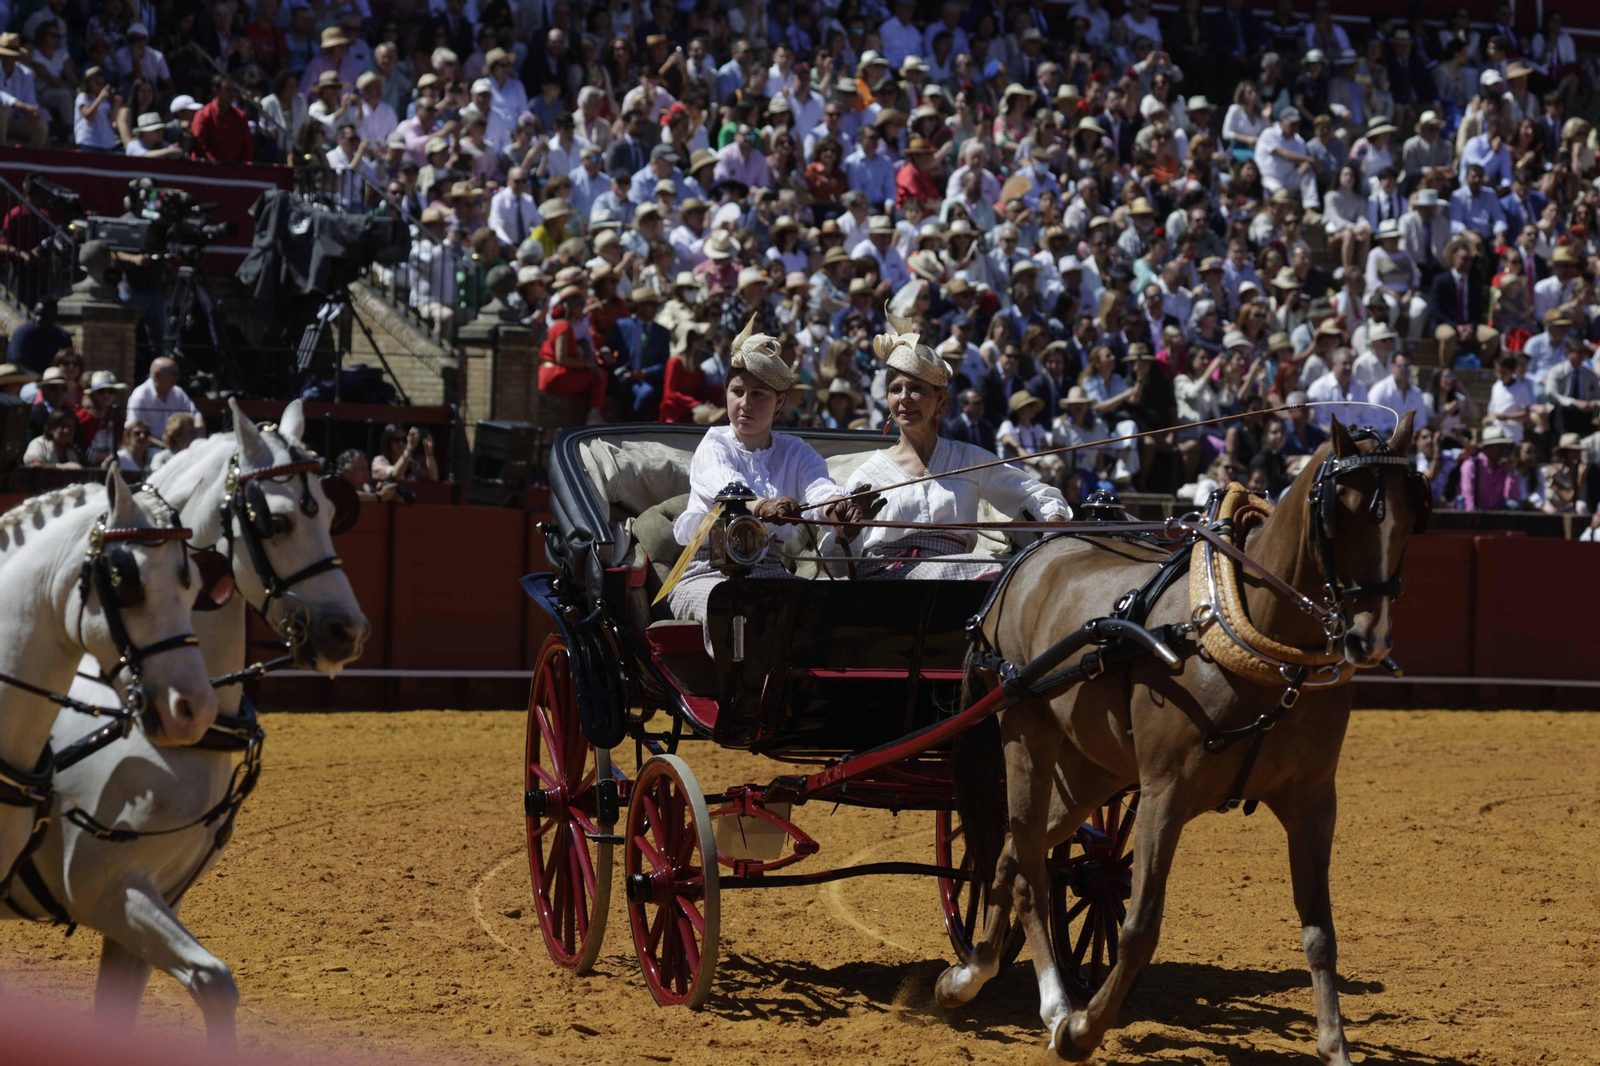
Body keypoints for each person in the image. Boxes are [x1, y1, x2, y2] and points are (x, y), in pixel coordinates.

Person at [834, 315, 1069, 580]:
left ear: (939, 399)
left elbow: (1035, 493)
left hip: (955, 584)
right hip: (885, 582)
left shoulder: (968, 459)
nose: (904, 398)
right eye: (895, 389)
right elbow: (837, 567)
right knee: (1002, 574)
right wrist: (847, 534)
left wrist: (1054, 524)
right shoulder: (868, 475)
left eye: (916, 389)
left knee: (1016, 576)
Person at [666, 317, 855, 630]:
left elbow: (819, 489)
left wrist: (839, 510)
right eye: (737, 392)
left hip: (771, 572)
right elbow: (726, 488)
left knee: (820, 612)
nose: (744, 404)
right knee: (734, 609)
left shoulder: (795, 451)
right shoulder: (714, 443)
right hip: (706, 573)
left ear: (779, 401)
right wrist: (764, 505)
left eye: (758, 394)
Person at [538, 285, 608, 423]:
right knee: (599, 376)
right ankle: (594, 415)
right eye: (578, 304)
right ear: (568, 307)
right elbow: (561, 358)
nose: (582, 307)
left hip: (550, 374)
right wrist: (586, 365)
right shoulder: (563, 326)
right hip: (554, 376)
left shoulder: (560, 325)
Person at [126, 357, 202, 435]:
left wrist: (198, 436)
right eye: (174, 374)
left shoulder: (178, 393)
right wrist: (164, 443)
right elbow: (136, 432)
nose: (177, 378)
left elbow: (196, 415)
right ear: (157, 375)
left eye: (178, 374)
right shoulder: (140, 396)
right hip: (149, 442)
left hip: (175, 441)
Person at [1457, 425, 1522, 509]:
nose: (1504, 450)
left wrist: (1511, 473)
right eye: (1499, 447)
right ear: (1487, 448)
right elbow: (1467, 493)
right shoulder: (1471, 464)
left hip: (1496, 511)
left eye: (1505, 447)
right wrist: (1472, 514)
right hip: (1475, 510)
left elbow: (1510, 496)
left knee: (1513, 505)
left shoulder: (1504, 467)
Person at [6, 298, 71, 374]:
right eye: (36, 314)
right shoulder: (23, 334)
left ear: (54, 316)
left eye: (43, 315)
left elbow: (70, 360)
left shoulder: (61, 336)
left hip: (51, 377)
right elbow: (17, 363)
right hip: (23, 377)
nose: (38, 319)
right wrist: (37, 377)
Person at [371, 423, 439, 482]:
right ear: (388, 442)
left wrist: (428, 453)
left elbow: (433, 478)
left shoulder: (413, 464)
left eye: (404, 439)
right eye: (396, 440)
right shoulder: (379, 461)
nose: (401, 444)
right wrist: (409, 448)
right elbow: (395, 475)